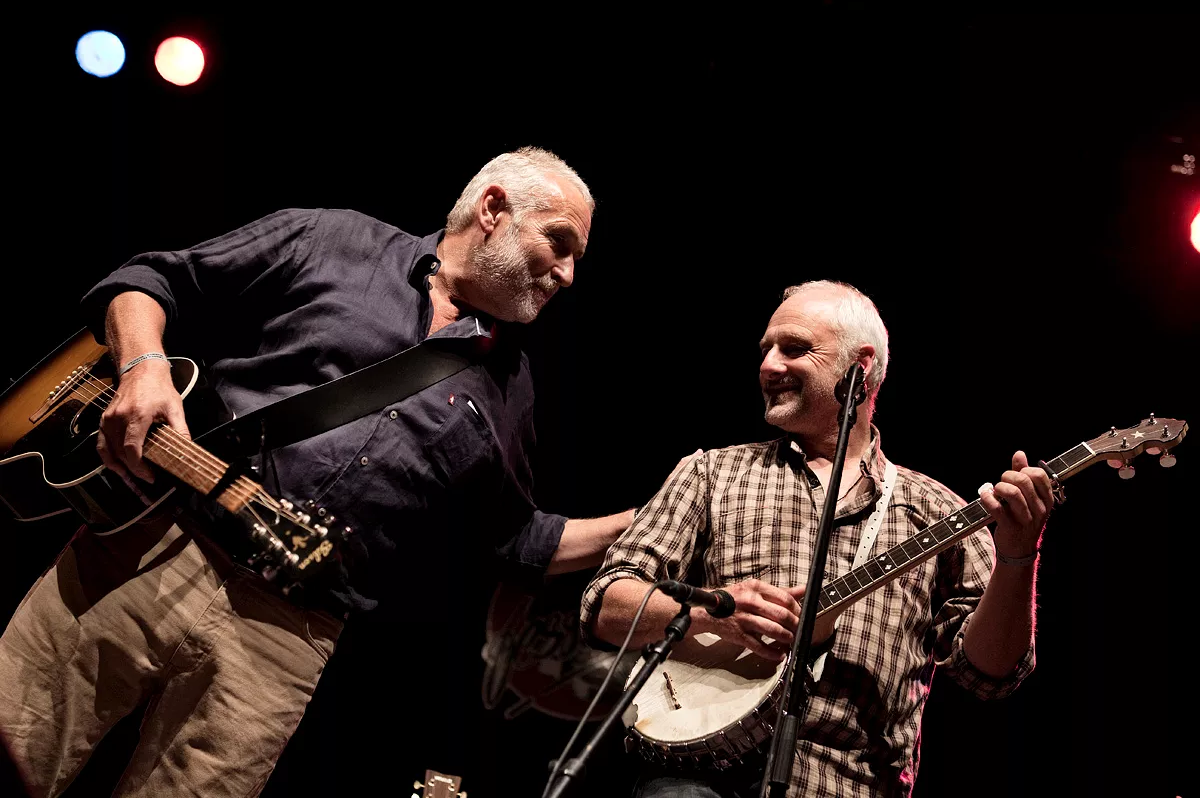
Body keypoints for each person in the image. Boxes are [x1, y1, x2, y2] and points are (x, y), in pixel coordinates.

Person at [0, 147, 636, 797]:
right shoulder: (335, 239)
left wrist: (647, 521)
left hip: (286, 637)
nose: (567, 274)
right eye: (558, 243)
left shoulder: (514, 388)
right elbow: (148, 280)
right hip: (150, 548)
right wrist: (142, 367)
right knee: (19, 741)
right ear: (494, 208)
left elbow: (517, 541)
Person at [581, 280, 1051, 797]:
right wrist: (712, 613)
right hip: (697, 779)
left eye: (794, 348)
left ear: (861, 366)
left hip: (850, 785)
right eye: (765, 350)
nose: (768, 365)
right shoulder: (712, 472)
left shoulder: (937, 508)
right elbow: (605, 604)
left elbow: (992, 673)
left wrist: (1017, 554)